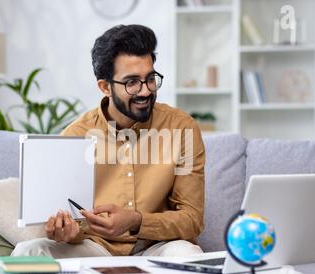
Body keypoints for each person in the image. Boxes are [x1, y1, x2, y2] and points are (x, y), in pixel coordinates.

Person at [12, 24, 205, 258]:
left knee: (187, 252)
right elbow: (66, 220)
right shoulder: (75, 136)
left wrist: (137, 221)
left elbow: (192, 219)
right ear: (105, 87)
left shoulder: (182, 128)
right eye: (132, 82)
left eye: (150, 79)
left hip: (156, 247)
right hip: (96, 249)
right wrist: (69, 232)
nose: (145, 91)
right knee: (29, 251)